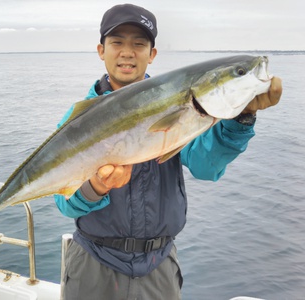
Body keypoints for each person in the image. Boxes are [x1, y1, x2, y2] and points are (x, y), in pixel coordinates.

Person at [54, 4, 282, 300]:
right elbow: (64, 202)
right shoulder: (78, 119)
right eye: (117, 42)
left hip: (158, 266)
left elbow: (205, 166)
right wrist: (95, 188)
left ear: (152, 54)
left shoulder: (180, 107)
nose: (127, 52)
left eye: (139, 44)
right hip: (93, 265)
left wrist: (240, 120)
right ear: (101, 50)